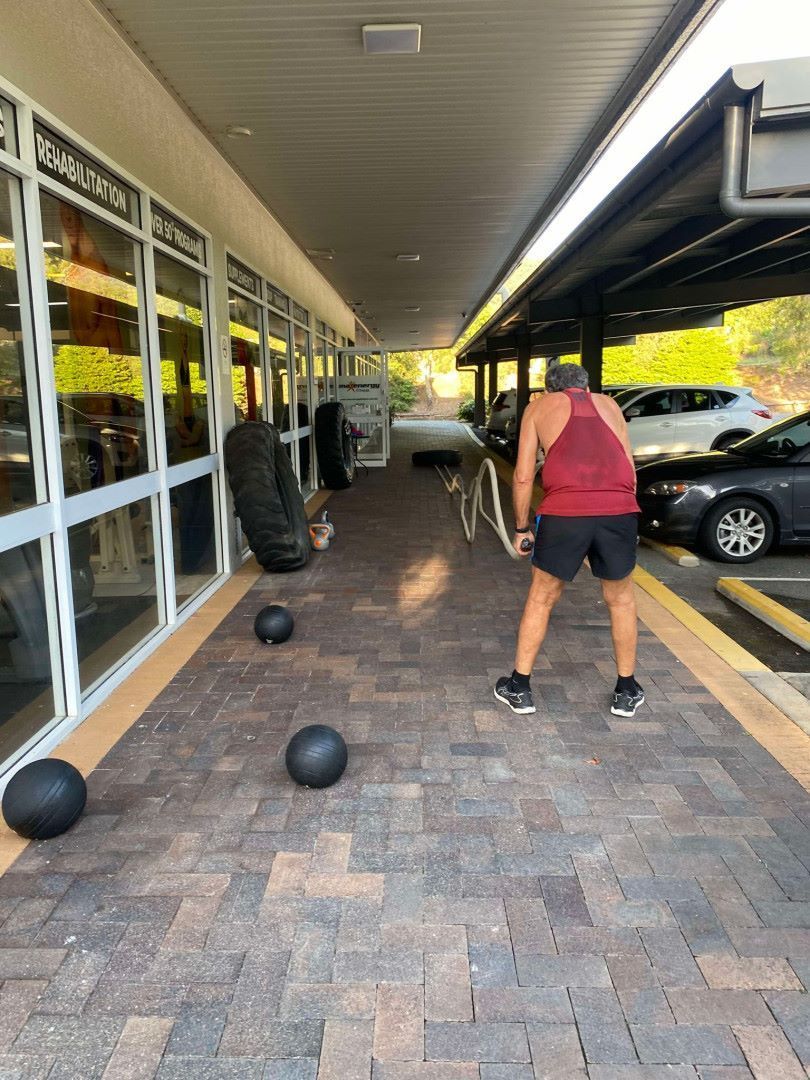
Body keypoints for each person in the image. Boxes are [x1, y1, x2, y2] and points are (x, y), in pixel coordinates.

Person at [494, 362, 645, 718]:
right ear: (586, 386)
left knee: (542, 596)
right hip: (619, 509)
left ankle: (519, 688)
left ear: (550, 390)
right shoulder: (610, 405)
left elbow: (522, 475)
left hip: (565, 511)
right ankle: (626, 691)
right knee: (620, 599)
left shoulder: (538, 407)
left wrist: (521, 528)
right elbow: (629, 467)